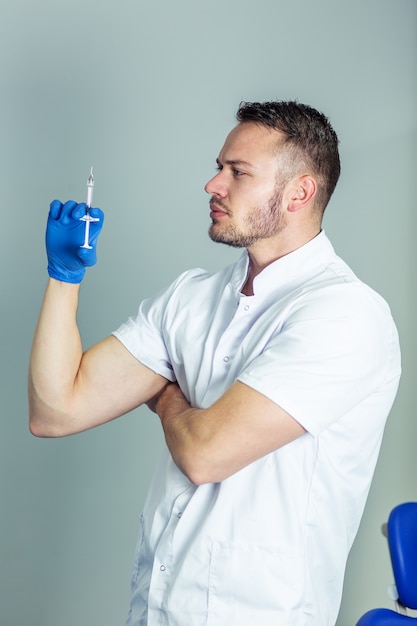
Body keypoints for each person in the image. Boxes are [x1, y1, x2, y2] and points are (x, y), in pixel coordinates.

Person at [28, 100, 401, 626]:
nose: (212, 184)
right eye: (219, 166)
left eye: (237, 172)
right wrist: (64, 277)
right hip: (154, 611)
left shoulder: (344, 315)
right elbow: (55, 411)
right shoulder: (190, 298)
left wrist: (163, 393)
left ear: (300, 192)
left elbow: (206, 456)